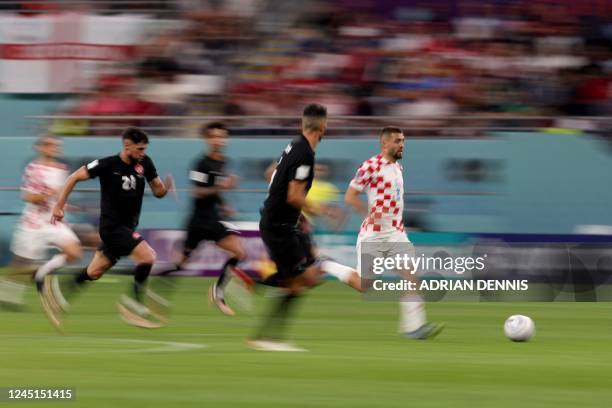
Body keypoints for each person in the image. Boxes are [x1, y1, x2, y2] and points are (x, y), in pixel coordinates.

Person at [251, 104, 361, 352]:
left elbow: (271, 173)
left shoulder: (293, 145)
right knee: (304, 280)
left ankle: (266, 336)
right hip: (280, 226)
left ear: (303, 124)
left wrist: (284, 199)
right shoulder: (305, 154)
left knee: (303, 279)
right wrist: (325, 210)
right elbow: (294, 196)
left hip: (282, 223)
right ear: (324, 126)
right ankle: (262, 321)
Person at [43, 127, 173, 329]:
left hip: (128, 226)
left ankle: (58, 293)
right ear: (127, 145)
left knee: (94, 272)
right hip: (112, 227)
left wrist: (165, 188)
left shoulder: (145, 163)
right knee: (148, 256)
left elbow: (157, 191)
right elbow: (73, 177)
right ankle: (133, 306)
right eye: (139, 149)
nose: (142, 153)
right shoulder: (108, 164)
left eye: (144, 149)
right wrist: (59, 206)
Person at [344, 126, 444, 339]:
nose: (402, 145)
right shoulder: (371, 166)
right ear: (385, 144)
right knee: (364, 285)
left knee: (411, 276)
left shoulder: (398, 168)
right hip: (374, 235)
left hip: (396, 233)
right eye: (398, 141)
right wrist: (368, 213)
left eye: (403, 141)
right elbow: (350, 196)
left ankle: (414, 328)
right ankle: (326, 264)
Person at [163, 122, 248, 316]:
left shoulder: (223, 162)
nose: (219, 140)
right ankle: (154, 290)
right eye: (215, 136)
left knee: (239, 252)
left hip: (213, 219)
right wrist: (222, 188)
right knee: (179, 265)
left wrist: (224, 204)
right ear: (207, 139)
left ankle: (217, 292)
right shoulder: (201, 163)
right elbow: (198, 192)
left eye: (222, 136)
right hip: (198, 221)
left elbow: (213, 190)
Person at [0, 136, 82, 309]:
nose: (53, 148)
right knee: (21, 263)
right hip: (33, 224)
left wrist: (66, 205)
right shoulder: (33, 169)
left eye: (56, 145)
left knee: (74, 252)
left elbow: (60, 196)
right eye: (49, 145)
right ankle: (7, 296)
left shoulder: (62, 169)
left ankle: (42, 272)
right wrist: (47, 195)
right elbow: (28, 197)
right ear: (40, 147)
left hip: (54, 222)